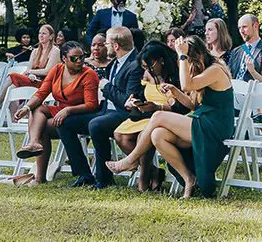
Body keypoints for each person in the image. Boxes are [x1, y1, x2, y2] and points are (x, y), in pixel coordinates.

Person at [108, 36, 234, 197]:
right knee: (158, 134)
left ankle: (130, 160)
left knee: (159, 115)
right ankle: (189, 179)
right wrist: (175, 91)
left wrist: (182, 55)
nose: (185, 64)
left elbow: (188, 85)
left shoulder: (215, 69)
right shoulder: (202, 70)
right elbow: (193, 105)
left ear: (195, 56)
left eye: (187, 59)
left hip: (216, 124)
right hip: (202, 118)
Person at [55, 25, 141, 189]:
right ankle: (84, 174)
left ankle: (104, 178)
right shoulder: (116, 62)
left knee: (97, 125)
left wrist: (106, 86)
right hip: (106, 110)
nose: (104, 47)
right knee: (64, 122)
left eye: (106, 44)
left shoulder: (135, 65)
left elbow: (127, 101)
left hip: (124, 114)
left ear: (116, 46)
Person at [11, 41, 100, 184]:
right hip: (61, 111)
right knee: (37, 109)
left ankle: (39, 173)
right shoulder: (57, 69)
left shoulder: (89, 74)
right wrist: (26, 108)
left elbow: (92, 105)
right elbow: (41, 93)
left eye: (82, 57)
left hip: (81, 114)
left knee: (42, 127)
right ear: (64, 58)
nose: (79, 61)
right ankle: (34, 143)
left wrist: (68, 110)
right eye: (74, 58)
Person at [111, 39, 181, 191]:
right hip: (147, 113)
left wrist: (158, 106)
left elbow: (181, 107)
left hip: (168, 116)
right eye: (144, 67)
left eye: (148, 66)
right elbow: (139, 93)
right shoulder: (147, 74)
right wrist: (134, 101)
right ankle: (152, 171)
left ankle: (143, 178)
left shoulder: (177, 75)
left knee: (144, 134)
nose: (146, 70)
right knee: (120, 135)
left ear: (160, 61)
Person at [7, 23, 61, 88]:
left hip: (46, 84)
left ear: (51, 36)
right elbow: (28, 69)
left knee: (12, 76)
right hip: (34, 80)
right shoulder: (35, 51)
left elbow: (47, 72)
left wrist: (31, 72)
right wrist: (31, 75)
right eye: (39, 33)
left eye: (44, 33)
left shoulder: (55, 51)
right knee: (13, 86)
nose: (41, 35)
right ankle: (0, 98)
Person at [228, 14, 262, 80]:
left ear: (255, 26)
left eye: (244, 27)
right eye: (239, 28)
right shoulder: (235, 51)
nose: (241, 31)